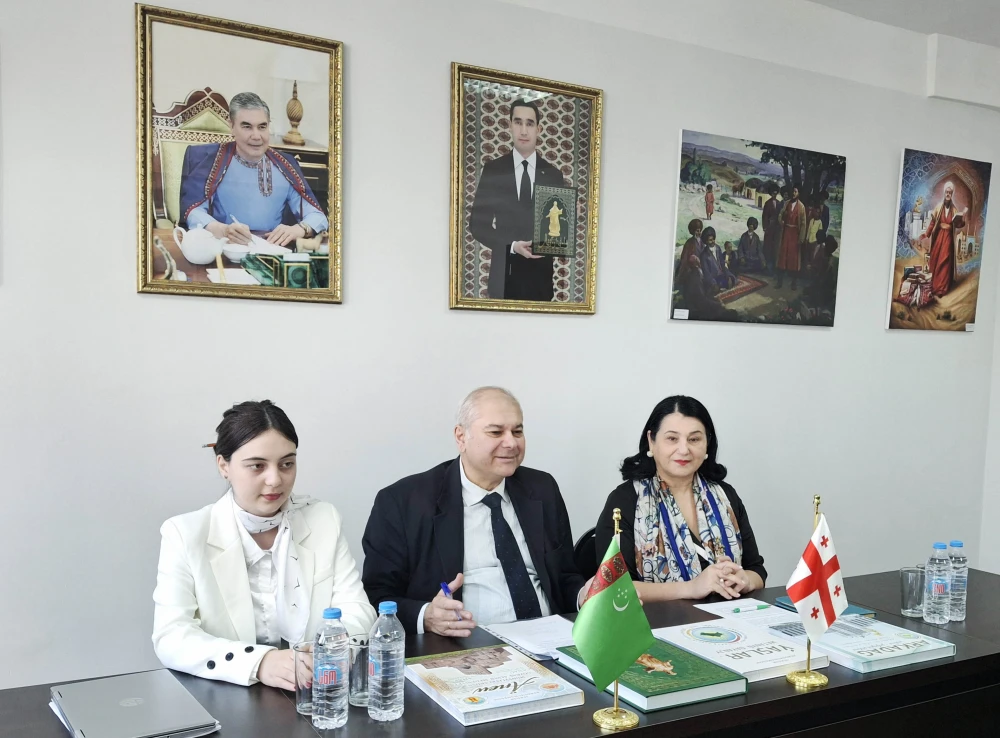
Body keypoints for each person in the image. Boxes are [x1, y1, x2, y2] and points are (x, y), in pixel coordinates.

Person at [152, 401, 375, 689]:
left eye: (287, 464)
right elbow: (171, 636)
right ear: (224, 466)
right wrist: (260, 662)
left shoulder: (323, 519)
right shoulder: (185, 533)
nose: (275, 480)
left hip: (315, 689)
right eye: (257, 466)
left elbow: (357, 608)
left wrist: (330, 648)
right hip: (229, 694)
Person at [361, 387, 588, 637]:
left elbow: (564, 576)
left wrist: (584, 595)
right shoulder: (403, 502)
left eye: (517, 431)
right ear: (461, 437)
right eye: (496, 432)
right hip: (461, 645)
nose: (511, 443)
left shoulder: (542, 489)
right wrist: (426, 616)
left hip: (548, 637)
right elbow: (377, 595)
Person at [596, 396, 766, 601]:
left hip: (730, 616)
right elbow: (614, 587)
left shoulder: (725, 496)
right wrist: (691, 588)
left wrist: (745, 580)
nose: (684, 450)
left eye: (694, 439)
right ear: (651, 441)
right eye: (672, 439)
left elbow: (756, 570)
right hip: (656, 619)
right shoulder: (625, 500)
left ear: (707, 443)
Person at [180, 92, 329, 247]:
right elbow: (193, 212)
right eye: (247, 127)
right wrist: (222, 230)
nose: (256, 136)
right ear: (231, 126)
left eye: (262, 127)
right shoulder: (211, 160)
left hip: (270, 252)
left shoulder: (286, 165)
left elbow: (318, 217)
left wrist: (299, 229)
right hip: (222, 250)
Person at [469, 98, 568, 301]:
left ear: (538, 129)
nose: (523, 131)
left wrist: (570, 218)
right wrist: (512, 246)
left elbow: (558, 236)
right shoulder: (494, 171)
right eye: (518, 122)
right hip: (503, 278)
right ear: (510, 125)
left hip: (540, 283)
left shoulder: (553, 175)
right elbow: (478, 225)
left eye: (529, 124)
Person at [919, 182, 968, 296]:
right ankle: (934, 286)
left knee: (945, 260)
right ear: (944, 193)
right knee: (936, 259)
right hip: (939, 237)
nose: (948, 194)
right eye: (946, 192)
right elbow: (933, 222)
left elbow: (958, 224)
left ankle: (942, 288)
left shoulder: (954, 209)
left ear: (952, 194)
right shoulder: (938, 207)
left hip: (948, 239)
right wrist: (926, 234)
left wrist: (962, 218)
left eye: (950, 193)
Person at [776, 186, 808, 290]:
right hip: (786, 233)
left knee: (794, 259)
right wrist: (781, 221)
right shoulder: (786, 203)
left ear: (798, 193)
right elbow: (780, 214)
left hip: (795, 235)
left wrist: (801, 238)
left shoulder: (801, 207)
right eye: (793, 191)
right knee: (782, 257)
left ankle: (793, 283)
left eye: (795, 191)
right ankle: (779, 282)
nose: (793, 193)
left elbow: (803, 224)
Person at [761, 183, 782, 274]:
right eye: (773, 193)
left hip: (776, 229)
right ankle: (767, 267)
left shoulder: (779, 203)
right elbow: (764, 216)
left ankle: (774, 267)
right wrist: (765, 227)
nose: (774, 195)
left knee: (775, 248)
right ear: (771, 193)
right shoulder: (767, 203)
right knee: (768, 247)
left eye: (776, 193)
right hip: (769, 228)